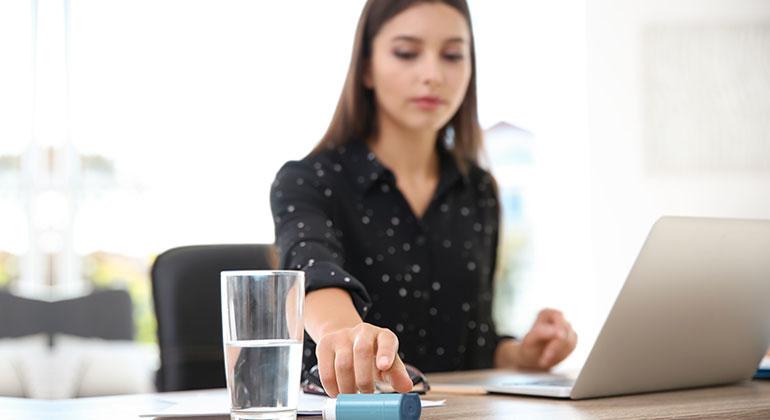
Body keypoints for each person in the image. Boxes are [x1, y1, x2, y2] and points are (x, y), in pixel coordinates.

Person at [270, 0, 577, 397]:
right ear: (365, 68)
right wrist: (343, 334)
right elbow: (311, 271)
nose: (432, 74)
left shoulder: (478, 190)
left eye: (452, 55)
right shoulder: (307, 180)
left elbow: (474, 340)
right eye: (406, 53)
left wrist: (523, 356)